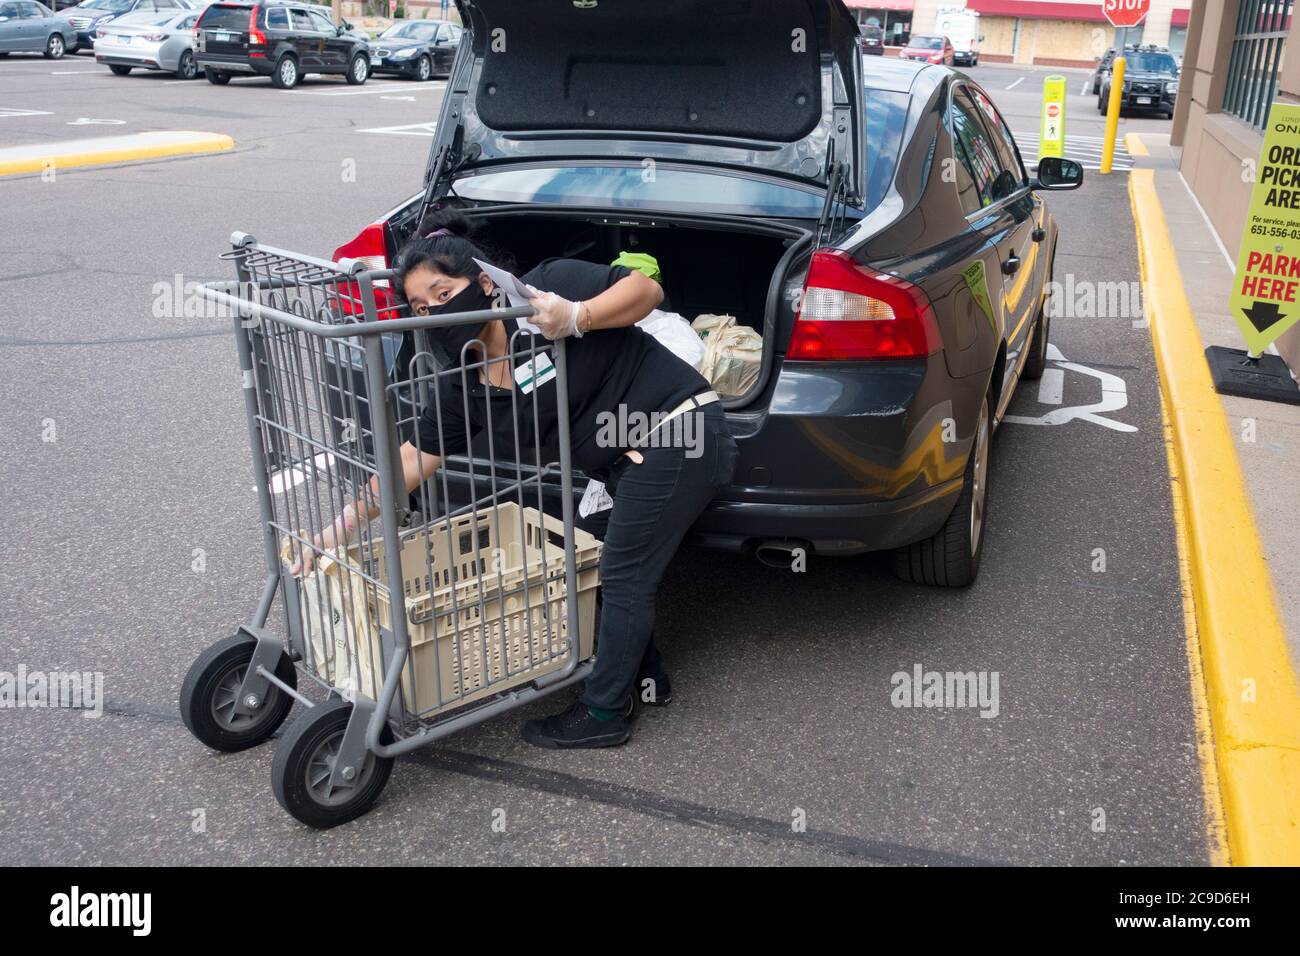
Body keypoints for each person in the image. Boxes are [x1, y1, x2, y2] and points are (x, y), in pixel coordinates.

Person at [296, 211, 738, 748]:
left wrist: (579, 315)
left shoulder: (542, 295)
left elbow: (645, 289)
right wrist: (329, 535)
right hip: (626, 461)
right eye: (419, 307)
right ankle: (644, 680)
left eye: (443, 292)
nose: (436, 311)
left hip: (680, 431)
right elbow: (409, 463)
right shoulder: (467, 380)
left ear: (482, 282)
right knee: (591, 554)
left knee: (624, 574)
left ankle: (603, 714)